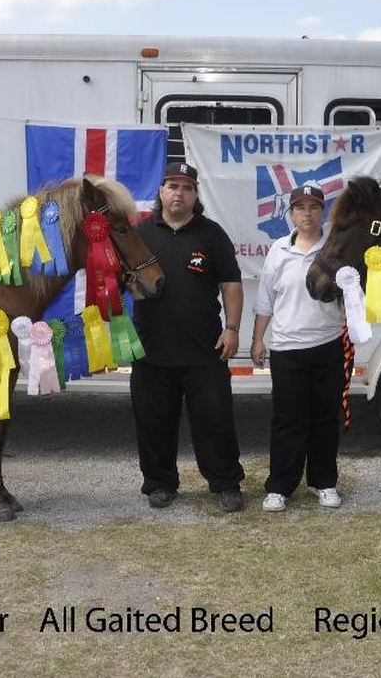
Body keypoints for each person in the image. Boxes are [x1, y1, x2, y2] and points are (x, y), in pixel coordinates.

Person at [130, 162, 246, 512]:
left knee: (215, 420)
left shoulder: (212, 234)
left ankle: (225, 482)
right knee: (153, 423)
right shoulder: (139, 234)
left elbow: (231, 283)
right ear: (161, 192)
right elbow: (125, 282)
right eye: (173, 186)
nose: (179, 193)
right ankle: (159, 483)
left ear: (196, 195)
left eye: (187, 188)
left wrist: (232, 328)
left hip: (204, 350)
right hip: (151, 351)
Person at [250, 184, 348, 512]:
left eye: (314, 207)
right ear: (290, 213)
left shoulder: (334, 250)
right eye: (300, 208)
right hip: (287, 348)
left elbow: (352, 298)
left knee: (324, 417)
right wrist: (257, 339)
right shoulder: (279, 250)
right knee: (288, 419)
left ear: (323, 212)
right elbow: (266, 299)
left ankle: (324, 482)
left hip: (327, 345)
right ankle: (280, 486)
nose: (307, 214)